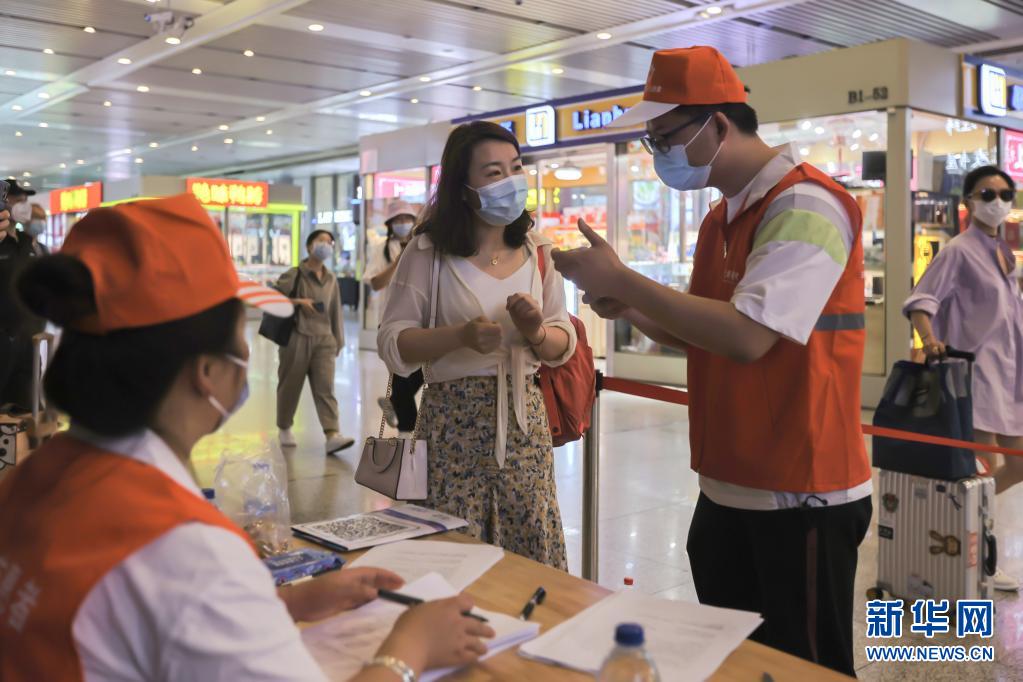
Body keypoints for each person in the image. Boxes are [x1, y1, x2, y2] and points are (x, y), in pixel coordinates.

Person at [0, 194, 494, 681]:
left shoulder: (26, 483)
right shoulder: (184, 548)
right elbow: (180, 592)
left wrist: (282, 602)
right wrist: (410, 647)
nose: (247, 348)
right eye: (242, 327)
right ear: (205, 371)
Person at [552, 47, 871, 675]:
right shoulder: (720, 218)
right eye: (651, 140)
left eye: (664, 136)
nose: (658, 153)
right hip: (727, 482)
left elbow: (752, 336)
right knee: (736, 666)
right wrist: (628, 307)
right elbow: (712, 335)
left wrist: (628, 279)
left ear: (718, 125)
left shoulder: (806, 205)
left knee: (805, 667)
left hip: (798, 492)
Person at [378, 121, 577, 569]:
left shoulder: (537, 250)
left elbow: (564, 340)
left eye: (516, 167)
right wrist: (459, 336)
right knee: (455, 555)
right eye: (493, 173)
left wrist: (537, 331)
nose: (510, 181)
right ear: (463, 186)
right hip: (453, 426)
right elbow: (393, 341)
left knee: (529, 550)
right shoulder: (428, 253)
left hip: (524, 427)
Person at [904, 164, 1023, 592]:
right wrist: (929, 338)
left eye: (1004, 194)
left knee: (1013, 464)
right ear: (969, 201)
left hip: (1010, 375)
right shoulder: (958, 249)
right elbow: (923, 298)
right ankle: (978, 560)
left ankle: (953, 510)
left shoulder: (1003, 252)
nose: (997, 202)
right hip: (974, 374)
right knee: (981, 467)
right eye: (986, 194)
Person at [275, 229, 354, 455]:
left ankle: (332, 434)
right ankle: (284, 426)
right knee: (290, 385)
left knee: (325, 388)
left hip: (324, 340)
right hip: (297, 338)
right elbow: (274, 299)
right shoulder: (294, 274)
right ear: (309, 246)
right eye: (321, 241)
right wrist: (297, 301)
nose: (326, 245)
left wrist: (338, 339)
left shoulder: (331, 279)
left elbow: (335, 309)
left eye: (329, 242)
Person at [364, 200, 422, 433]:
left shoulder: (422, 247)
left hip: (420, 319)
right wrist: (399, 261)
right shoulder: (382, 249)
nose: (403, 224)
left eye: (407, 219)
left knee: (422, 370)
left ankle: (395, 404)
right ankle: (407, 434)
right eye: (398, 220)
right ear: (389, 224)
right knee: (399, 374)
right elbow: (376, 283)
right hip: (391, 319)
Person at [0, 179, 40, 411]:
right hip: (2, 336)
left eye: (25, 199)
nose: (23, 205)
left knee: (26, 407)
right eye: (16, 199)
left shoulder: (28, 243)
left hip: (27, 338)